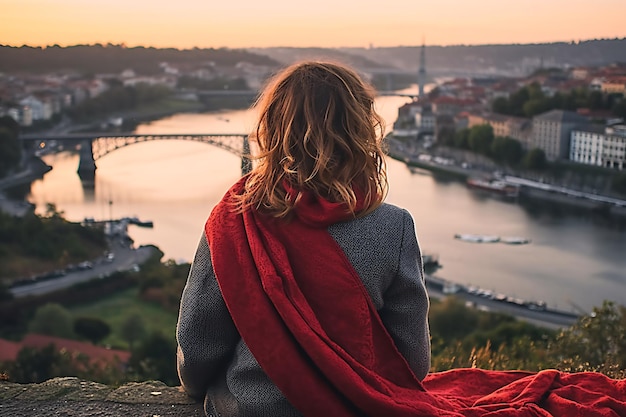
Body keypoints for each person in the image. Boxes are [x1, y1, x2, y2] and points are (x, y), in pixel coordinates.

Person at [176, 60, 432, 416]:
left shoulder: (234, 218)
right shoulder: (395, 227)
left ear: (273, 128)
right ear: (361, 130)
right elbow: (412, 363)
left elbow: (198, 347)